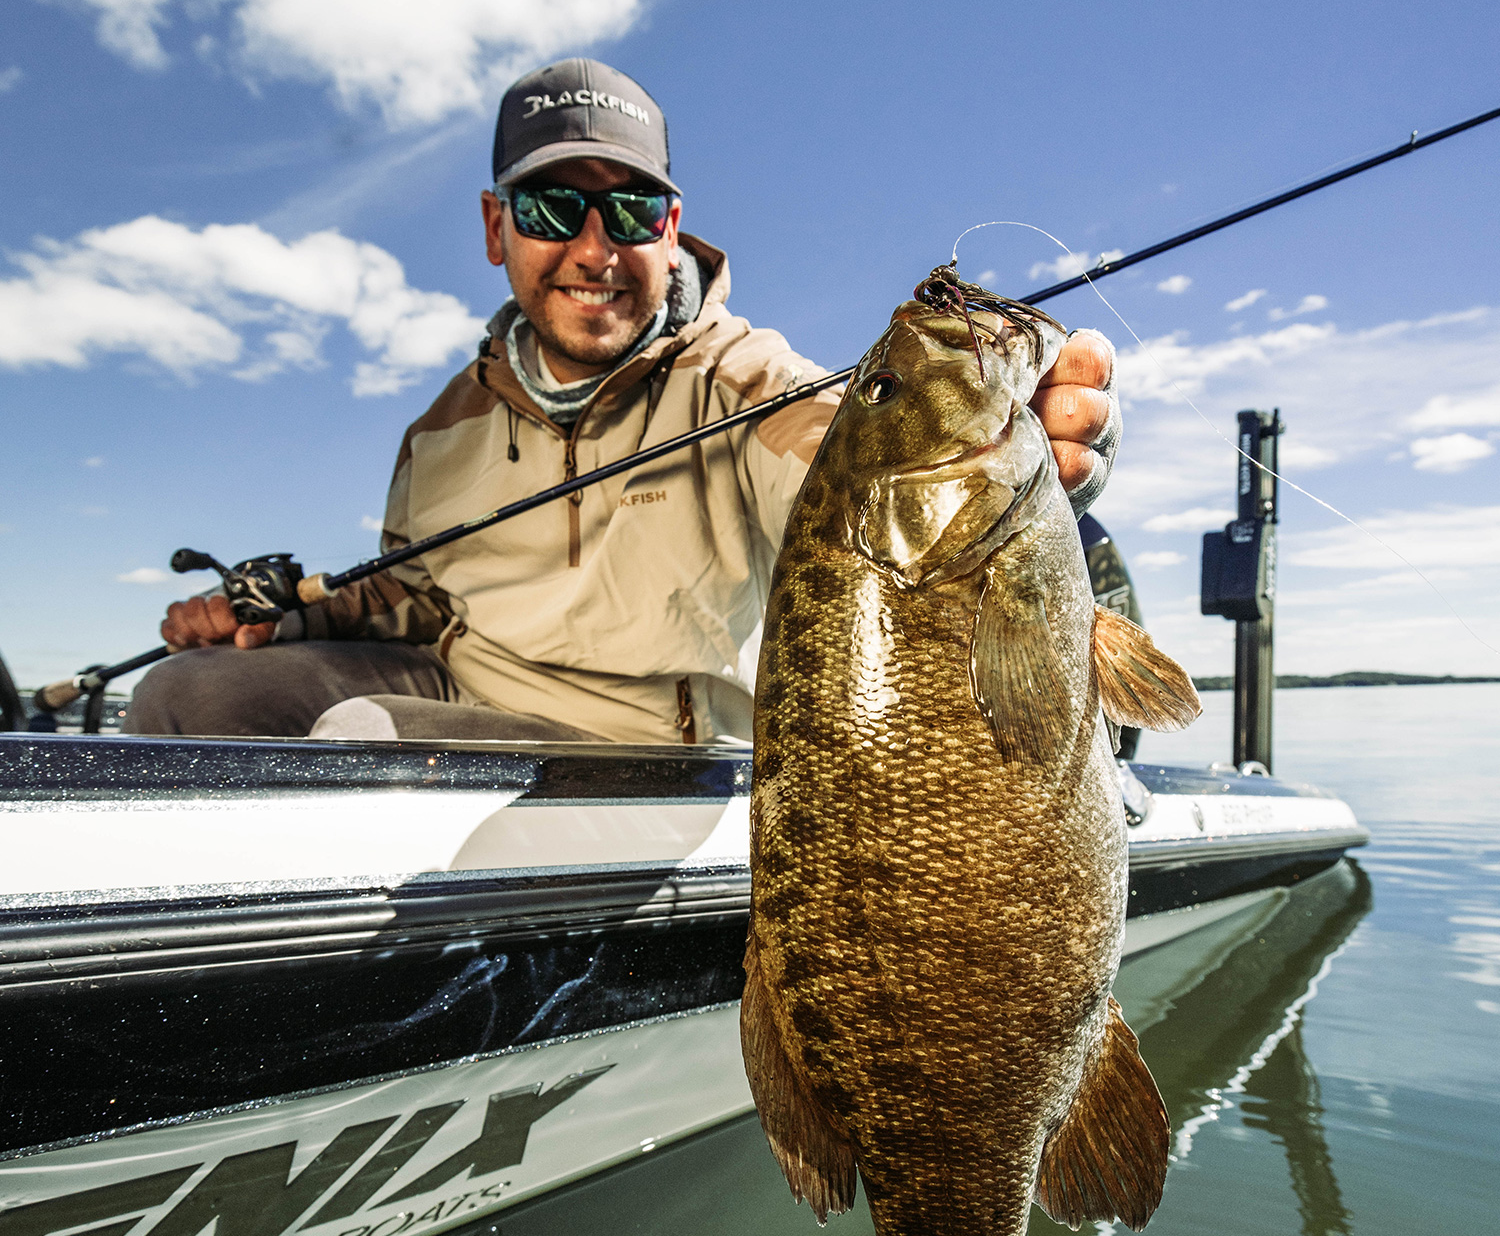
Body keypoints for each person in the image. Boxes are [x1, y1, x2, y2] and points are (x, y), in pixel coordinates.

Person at [126, 58, 1122, 744]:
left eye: (631, 208)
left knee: (363, 747)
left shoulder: (742, 377)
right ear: (495, 227)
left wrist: (995, 442)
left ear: (671, 223)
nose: (596, 249)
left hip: (646, 749)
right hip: (462, 687)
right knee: (181, 700)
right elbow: (415, 596)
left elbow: (855, 479)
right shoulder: (442, 427)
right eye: (554, 207)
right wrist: (287, 617)